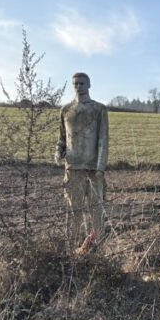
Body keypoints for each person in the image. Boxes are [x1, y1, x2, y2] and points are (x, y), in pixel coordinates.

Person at [55, 72, 109, 238]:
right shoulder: (66, 110)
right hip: (73, 169)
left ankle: (98, 251)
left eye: (82, 83)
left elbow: (103, 139)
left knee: (96, 213)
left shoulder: (99, 109)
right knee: (73, 213)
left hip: (93, 170)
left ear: (89, 85)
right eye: (76, 84)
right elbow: (62, 138)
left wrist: (100, 167)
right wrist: (58, 152)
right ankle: (72, 251)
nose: (78, 87)